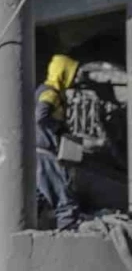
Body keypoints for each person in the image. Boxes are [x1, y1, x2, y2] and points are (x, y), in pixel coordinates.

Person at [36, 54, 82, 230]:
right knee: (64, 199)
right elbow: (40, 116)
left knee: (37, 199)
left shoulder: (41, 90)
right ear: (63, 73)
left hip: (35, 153)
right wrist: (59, 129)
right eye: (73, 74)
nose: (75, 79)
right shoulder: (51, 93)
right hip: (45, 153)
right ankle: (68, 233)